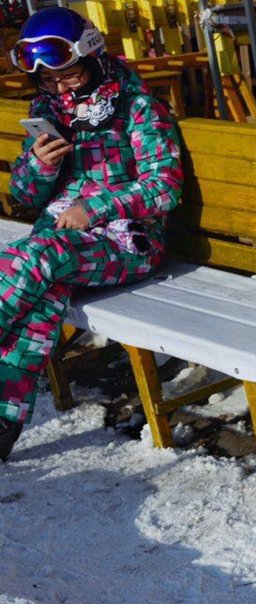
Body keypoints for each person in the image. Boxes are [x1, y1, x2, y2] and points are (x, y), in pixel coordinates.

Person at [0, 7, 183, 462]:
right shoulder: (48, 111)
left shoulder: (137, 108)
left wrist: (95, 206)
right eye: (47, 80)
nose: (59, 87)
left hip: (129, 241)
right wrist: (41, 164)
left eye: (68, 75)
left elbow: (164, 185)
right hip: (66, 244)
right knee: (43, 297)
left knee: (37, 257)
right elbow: (22, 193)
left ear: (94, 57)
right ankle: (3, 424)